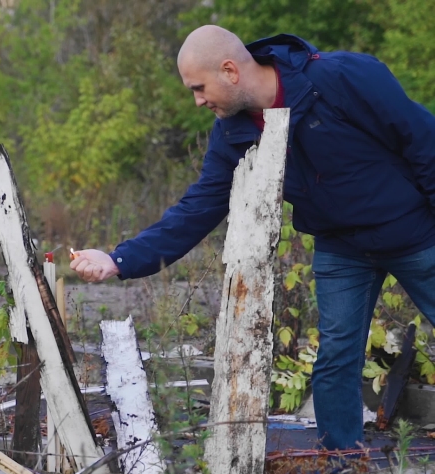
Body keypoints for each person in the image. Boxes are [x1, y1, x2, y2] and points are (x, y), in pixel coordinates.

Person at [70, 25, 435, 452]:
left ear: (229, 70)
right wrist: (119, 259)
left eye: (200, 88)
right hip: (343, 248)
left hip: (414, 233)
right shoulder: (233, 132)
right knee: (335, 357)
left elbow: (423, 142)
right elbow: (198, 207)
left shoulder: (343, 77)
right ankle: (341, 460)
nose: (198, 101)